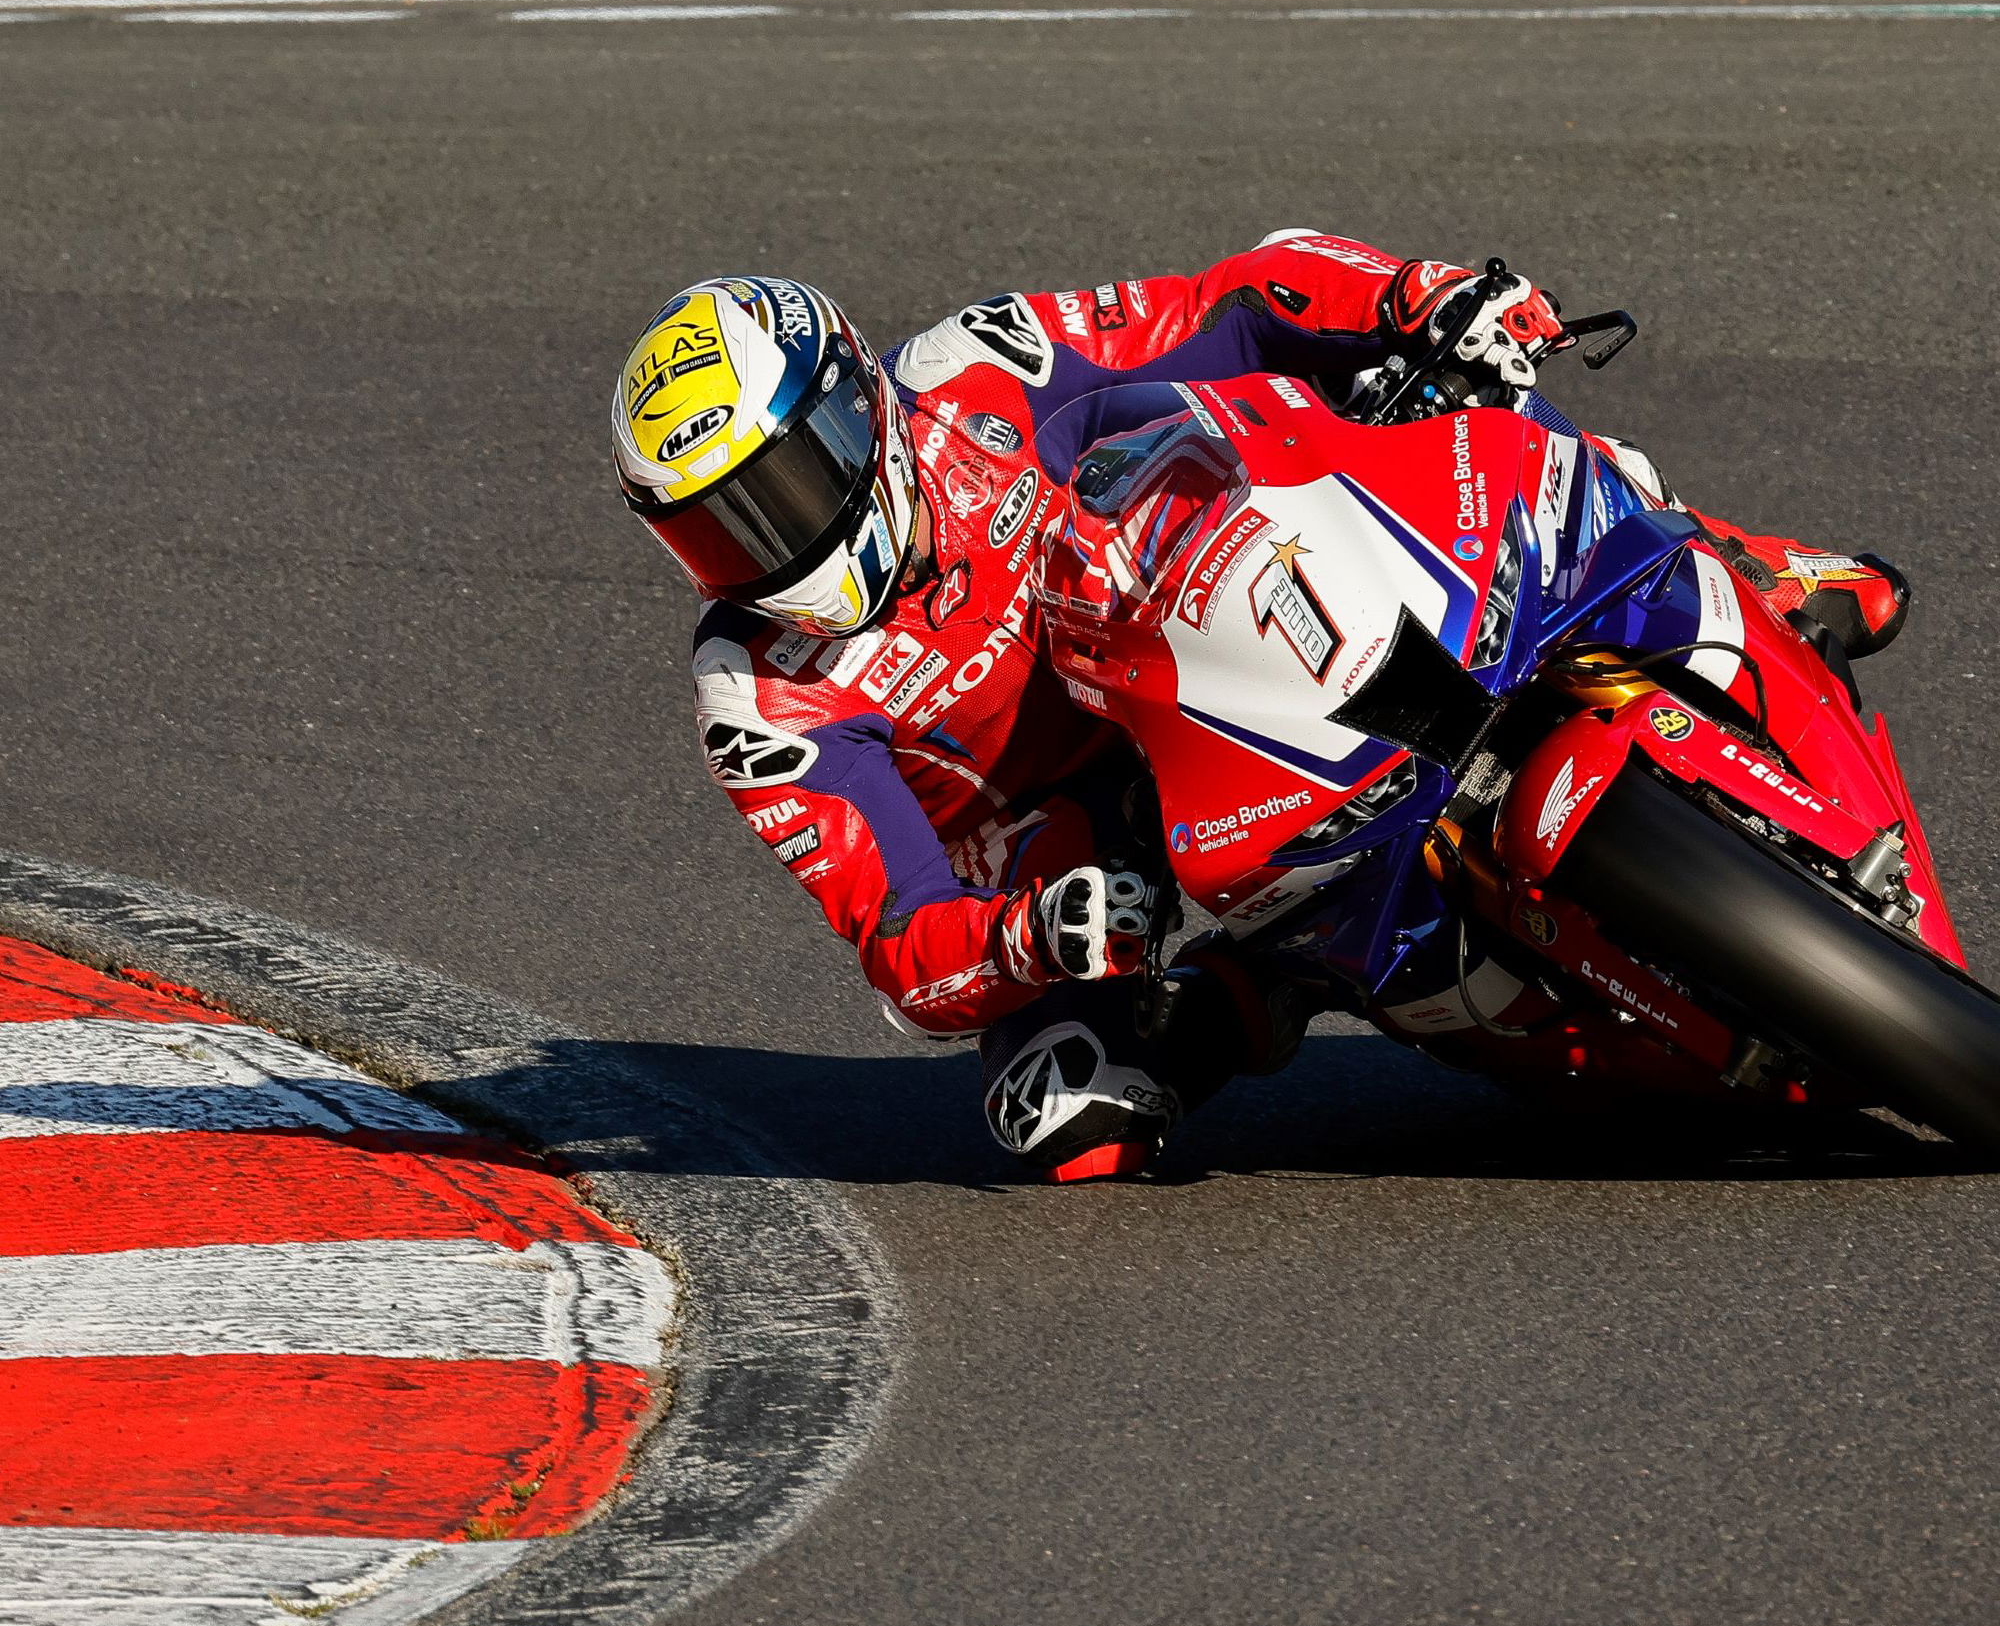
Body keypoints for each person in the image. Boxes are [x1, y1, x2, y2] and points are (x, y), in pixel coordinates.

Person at [610, 234, 1909, 1182]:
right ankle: (1263, 985)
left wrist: (1421, 299)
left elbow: (1225, 305)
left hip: (1188, 605)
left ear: (854, 407)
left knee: (1439, 395)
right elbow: (899, 935)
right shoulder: (756, 691)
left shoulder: (975, 371)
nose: (765, 550)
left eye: (778, 491)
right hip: (1098, 842)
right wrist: (1036, 939)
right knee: (1066, 1121)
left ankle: (1721, 554)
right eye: (717, 533)